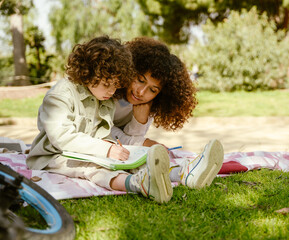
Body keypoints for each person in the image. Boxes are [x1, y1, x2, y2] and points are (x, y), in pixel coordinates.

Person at [26, 36, 175, 203]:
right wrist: (106, 150)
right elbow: (62, 138)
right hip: (53, 155)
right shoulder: (60, 95)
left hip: (89, 153)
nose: (112, 92)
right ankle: (138, 184)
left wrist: (112, 147)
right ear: (88, 73)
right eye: (107, 84)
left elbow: (102, 132)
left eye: (116, 85)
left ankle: (179, 173)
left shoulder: (104, 97)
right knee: (93, 169)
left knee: (128, 160)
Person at [111, 37, 224, 201]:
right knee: (140, 152)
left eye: (152, 89)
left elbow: (131, 140)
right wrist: (143, 142)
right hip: (89, 140)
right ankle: (182, 172)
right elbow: (102, 131)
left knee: (139, 156)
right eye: (140, 80)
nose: (141, 92)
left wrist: (140, 126)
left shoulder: (147, 105)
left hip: (115, 147)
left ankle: (185, 173)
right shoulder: (108, 91)